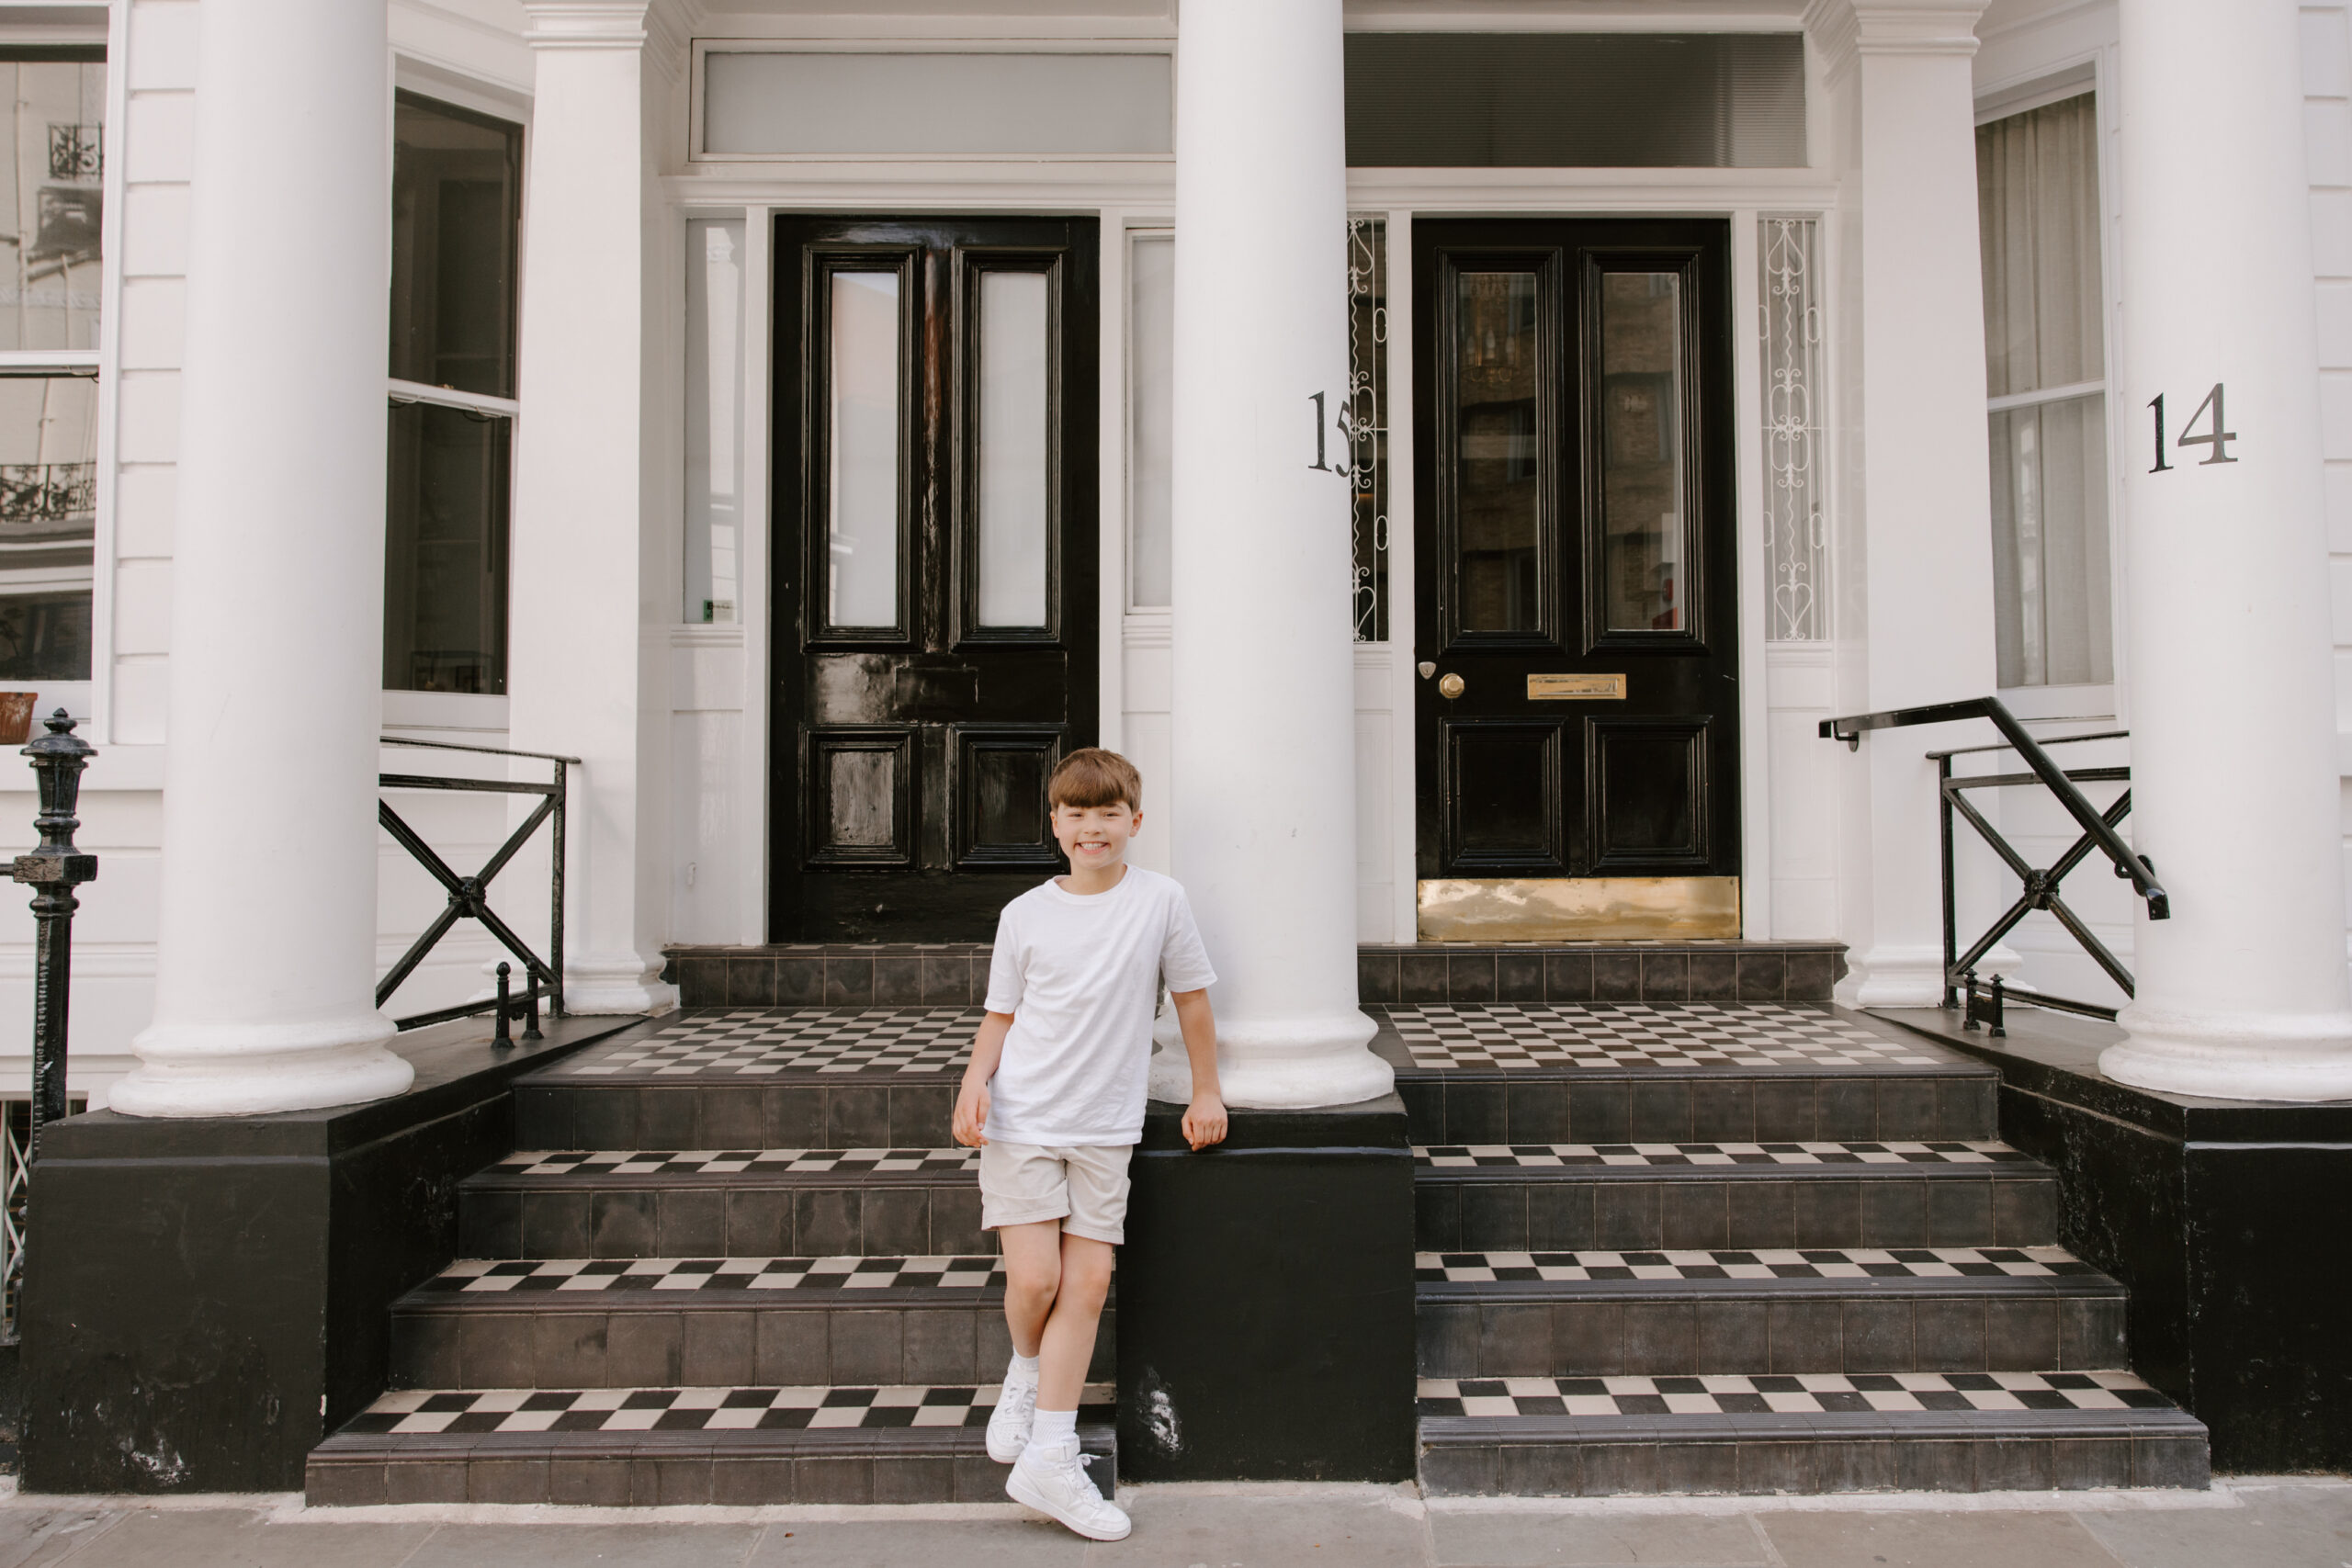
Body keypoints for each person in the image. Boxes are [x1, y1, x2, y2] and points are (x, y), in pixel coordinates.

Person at [949, 747, 1226, 1542]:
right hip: (1025, 1117)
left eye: (1108, 812)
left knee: (1092, 1277)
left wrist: (1206, 1088)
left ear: (1135, 822)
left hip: (1105, 1127)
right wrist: (975, 1081)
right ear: (1055, 824)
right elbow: (1001, 1014)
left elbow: (1193, 1002)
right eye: (1076, 812)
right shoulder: (1025, 914)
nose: (1092, 826)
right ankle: (1027, 1374)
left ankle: (1052, 1452)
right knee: (1036, 1279)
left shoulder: (1160, 901)